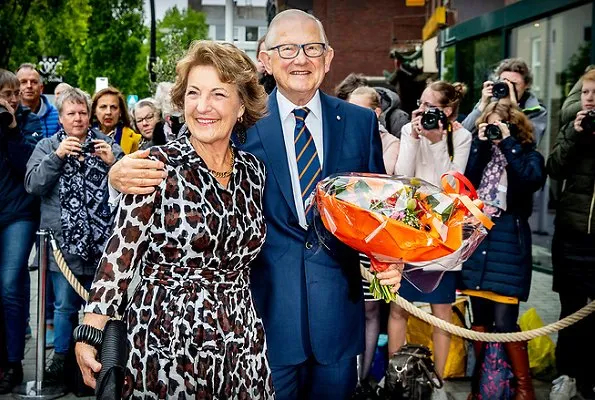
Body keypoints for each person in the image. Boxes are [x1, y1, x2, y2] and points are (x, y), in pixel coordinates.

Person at [105, 10, 404, 399]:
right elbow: (186, 168)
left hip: (337, 322)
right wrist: (117, 177)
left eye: (312, 48)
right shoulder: (237, 123)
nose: (300, 59)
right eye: (287, 48)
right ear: (265, 58)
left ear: (329, 58)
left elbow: (377, 215)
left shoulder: (361, 122)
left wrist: (388, 261)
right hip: (258, 325)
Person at [75, 40, 275, 398]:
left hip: (240, 339)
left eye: (218, 94)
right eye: (194, 93)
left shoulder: (253, 172)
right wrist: (91, 328)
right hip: (166, 338)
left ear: (242, 104)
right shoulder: (155, 165)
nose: (203, 107)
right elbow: (121, 250)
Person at [25, 87, 123, 384]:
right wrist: (56, 156)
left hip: (101, 247)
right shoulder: (46, 145)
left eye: (82, 113)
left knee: (100, 309)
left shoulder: (105, 143)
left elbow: (129, 187)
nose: (78, 119)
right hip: (63, 246)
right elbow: (33, 185)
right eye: (71, 113)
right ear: (61, 117)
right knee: (65, 307)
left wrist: (114, 162)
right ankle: (63, 362)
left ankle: (100, 363)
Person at [459, 100, 545, 400]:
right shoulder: (479, 152)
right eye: (490, 123)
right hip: (479, 238)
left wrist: (507, 142)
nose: (494, 129)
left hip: (508, 243)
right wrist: (482, 145)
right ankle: (481, 388)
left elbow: (530, 180)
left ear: (513, 126)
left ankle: (524, 389)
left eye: (500, 124)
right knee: (479, 321)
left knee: (506, 321)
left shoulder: (528, 154)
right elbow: (466, 182)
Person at [391, 80, 471, 384]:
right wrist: (414, 138)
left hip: (442, 234)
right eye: (421, 104)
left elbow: (449, 186)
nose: (422, 111)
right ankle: (395, 377)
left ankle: (438, 379)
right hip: (410, 230)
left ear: (448, 111)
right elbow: (402, 177)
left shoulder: (461, 136)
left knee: (442, 313)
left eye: (430, 107)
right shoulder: (409, 130)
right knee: (399, 310)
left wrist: (438, 141)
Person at [547, 68, 595, 400]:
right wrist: (576, 136)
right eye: (587, 92)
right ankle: (567, 375)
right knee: (571, 309)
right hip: (573, 235)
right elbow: (555, 169)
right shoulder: (572, 126)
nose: (590, 99)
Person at [347, 85, 399, 390]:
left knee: (370, 309)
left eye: (360, 109)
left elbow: (386, 185)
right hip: (342, 236)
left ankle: (363, 379)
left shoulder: (390, 142)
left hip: (372, 234)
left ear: (376, 113)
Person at [0, 68, 42, 394]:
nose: (13, 99)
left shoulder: (29, 122)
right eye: (5, 94)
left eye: (14, 93)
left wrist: (12, 128)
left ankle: (14, 362)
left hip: (19, 214)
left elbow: (28, 167)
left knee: (10, 284)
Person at [462, 58, 547, 145]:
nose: (507, 87)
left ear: (526, 85)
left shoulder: (537, 110)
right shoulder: (489, 103)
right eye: (504, 82)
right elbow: (462, 134)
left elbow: (531, 143)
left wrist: (514, 109)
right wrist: (483, 104)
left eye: (513, 84)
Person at [91, 86, 141, 154]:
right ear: (94, 111)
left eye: (113, 107)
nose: (108, 112)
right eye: (103, 107)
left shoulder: (135, 139)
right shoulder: (84, 135)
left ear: (121, 111)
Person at [16, 63, 60, 138]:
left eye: (34, 82)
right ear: (15, 87)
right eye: (23, 82)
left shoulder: (58, 116)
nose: (29, 86)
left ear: (41, 88)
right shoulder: (9, 116)